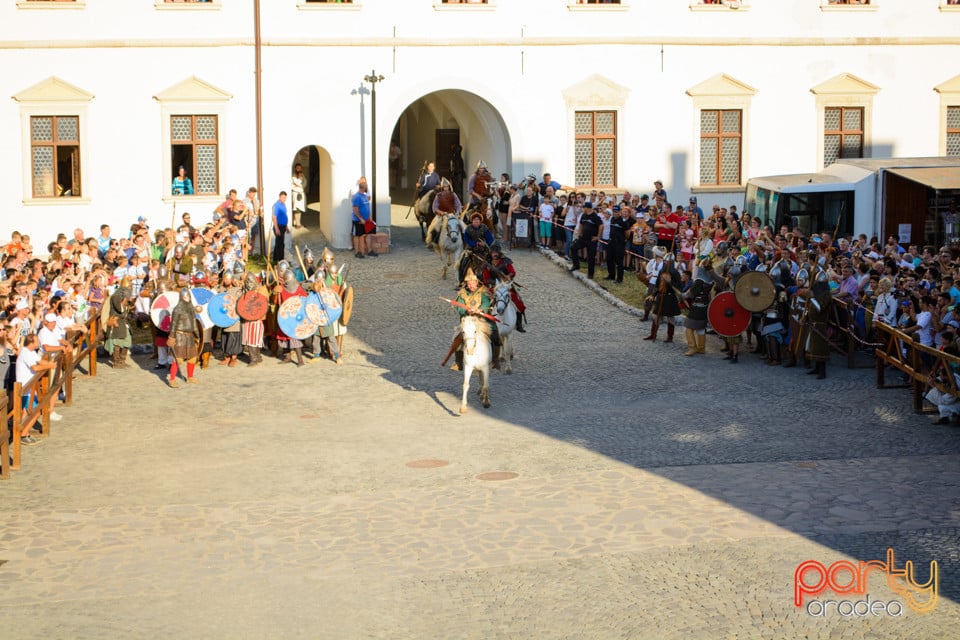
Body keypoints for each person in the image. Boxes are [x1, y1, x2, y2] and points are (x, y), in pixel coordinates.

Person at [448, 267, 500, 371]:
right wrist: (466, 311)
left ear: (476, 282)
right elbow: (459, 307)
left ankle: (495, 360)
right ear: (466, 284)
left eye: (473, 283)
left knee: (495, 333)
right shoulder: (462, 293)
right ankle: (458, 362)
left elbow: (486, 304)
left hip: (481, 319)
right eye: (469, 283)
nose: (471, 285)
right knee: (457, 338)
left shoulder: (482, 292)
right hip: (467, 320)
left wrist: (480, 309)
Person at [15, 333, 57, 445]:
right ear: (31, 342)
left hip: (30, 388)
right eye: (37, 340)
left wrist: (48, 363)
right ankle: (23, 434)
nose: (39, 342)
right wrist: (49, 366)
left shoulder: (30, 352)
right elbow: (35, 367)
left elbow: (39, 361)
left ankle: (24, 433)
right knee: (35, 412)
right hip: (25, 388)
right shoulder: (25, 353)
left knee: (26, 413)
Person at [484, 244, 527, 333]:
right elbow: (486, 278)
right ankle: (485, 323)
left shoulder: (505, 261)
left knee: (518, 301)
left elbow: (512, 272)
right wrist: (495, 282)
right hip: (494, 287)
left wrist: (508, 276)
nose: (495, 254)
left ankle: (518, 324)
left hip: (506, 286)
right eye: (493, 252)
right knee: (484, 303)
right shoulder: (487, 263)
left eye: (496, 252)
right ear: (490, 253)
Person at [167, 287, 201, 387]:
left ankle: (190, 377)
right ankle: (172, 380)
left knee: (192, 358)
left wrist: (197, 335)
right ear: (181, 297)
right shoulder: (177, 309)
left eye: (188, 296)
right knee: (178, 359)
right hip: (179, 336)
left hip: (189, 336)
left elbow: (194, 323)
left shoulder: (191, 308)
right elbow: (173, 325)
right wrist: (172, 337)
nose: (187, 298)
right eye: (185, 296)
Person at [644, 255, 682, 343]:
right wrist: (653, 294)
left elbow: (679, 288)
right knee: (656, 316)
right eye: (665, 262)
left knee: (670, 317)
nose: (666, 263)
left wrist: (670, 282)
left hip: (670, 297)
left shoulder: (675, 273)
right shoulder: (661, 271)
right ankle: (653, 334)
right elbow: (657, 285)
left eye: (667, 262)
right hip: (661, 296)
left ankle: (670, 337)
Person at [683, 259, 715, 356]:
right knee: (700, 328)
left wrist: (684, 295)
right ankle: (701, 348)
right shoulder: (711, 280)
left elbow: (692, 293)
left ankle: (692, 348)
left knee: (688, 327)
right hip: (705, 306)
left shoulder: (699, 280)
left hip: (697, 307)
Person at [275, 269, 307, 366]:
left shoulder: (299, 289)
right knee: (285, 338)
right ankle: (288, 357)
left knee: (294, 339)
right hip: (285, 318)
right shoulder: (281, 289)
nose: (288, 283)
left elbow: (305, 301)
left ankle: (300, 360)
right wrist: (275, 293)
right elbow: (276, 302)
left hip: (295, 318)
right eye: (286, 281)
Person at [103, 278, 134, 369]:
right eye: (129, 287)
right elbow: (119, 309)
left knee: (127, 341)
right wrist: (125, 300)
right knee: (117, 342)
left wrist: (130, 302)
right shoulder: (116, 296)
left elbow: (127, 309)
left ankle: (122, 360)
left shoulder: (123, 296)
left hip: (123, 322)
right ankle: (116, 362)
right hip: (116, 321)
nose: (130, 289)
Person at [569, 202, 603, 279]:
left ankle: (590, 274)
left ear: (588, 208)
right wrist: (579, 233)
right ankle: (576, 265)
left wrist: (598, 236)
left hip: (591, 239)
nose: (582, 209)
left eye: (583, 207)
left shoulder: (595, 216)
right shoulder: (584, 215)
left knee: (591, 256)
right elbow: (581, 224)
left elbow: (601, 225)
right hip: (583, 238)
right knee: (573, 247)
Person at [427, 178, 463, 248]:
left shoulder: (453, 194)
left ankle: (464, 241)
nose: (446, 188)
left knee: (462, 225)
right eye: (444, 187)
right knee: (436, 226)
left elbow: (458, 204)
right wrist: (441, 212)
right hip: (442, 214)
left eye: (447, 187)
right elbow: (434, 207)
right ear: (442, 188)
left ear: (449, 187)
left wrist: (458, 212)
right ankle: (434, 241)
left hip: (452, 214)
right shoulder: (438, 196)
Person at [351, 177, 375, 259]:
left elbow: (368, 207)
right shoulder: (357, 197)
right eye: (366, 185)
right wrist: (360, 218)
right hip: (358, 221)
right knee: (357, 236)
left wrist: (370, 217)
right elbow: (355, 209)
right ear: (363, 186)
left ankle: (369, 251)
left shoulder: (365, 196)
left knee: (368, 235)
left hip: (367, 220)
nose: (367, 186)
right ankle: (357, 252)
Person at [272, 191, 289, 263]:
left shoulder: (283, 204)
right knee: (280, 244)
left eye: (285, 198)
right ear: (279, 197)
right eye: (283, 197)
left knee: (280, 243)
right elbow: (274, 217)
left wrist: (286, 226)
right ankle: (280, 260)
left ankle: (277, 259)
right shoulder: (276, 205)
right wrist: (276, 228)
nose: (284, 199)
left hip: (283, 226)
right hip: (278, 226)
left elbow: (284, 216)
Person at [291, 163, 307, 229]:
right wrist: (299, 182)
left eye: (300, 168)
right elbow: (293, 185)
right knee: (297, 209)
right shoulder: (293, 176)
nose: (299, 169)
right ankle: (297, 224)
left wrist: (299, 185)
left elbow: (305, 183)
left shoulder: (302, 175)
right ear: (295, 169)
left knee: (300, 209)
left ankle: (297, 223)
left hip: (301, 193)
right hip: (296, 194)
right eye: (297, 168)